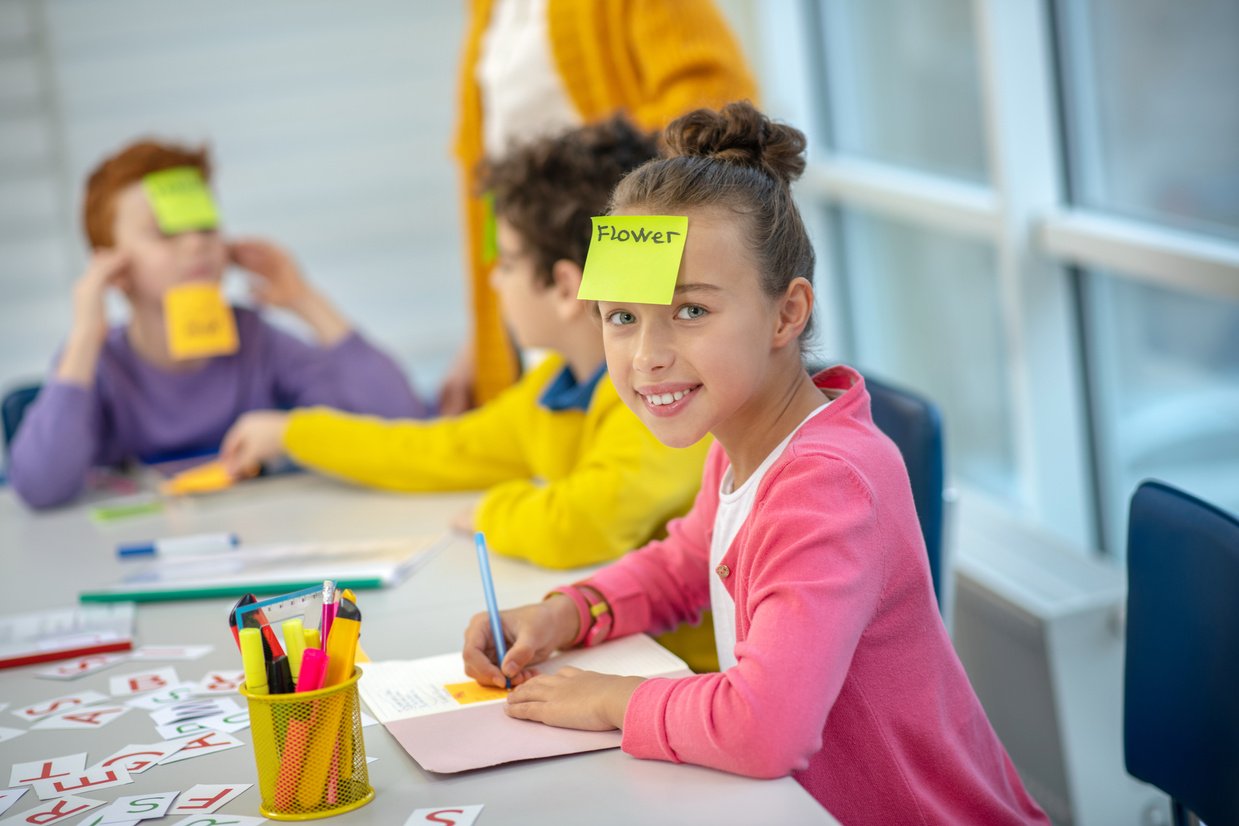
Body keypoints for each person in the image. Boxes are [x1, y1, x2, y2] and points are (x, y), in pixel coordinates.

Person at [461, 102, 1050, 824]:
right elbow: (687, 562)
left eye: (689, 311)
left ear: (785, 313)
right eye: (621, 316)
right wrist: (567, 613)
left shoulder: (826, 482)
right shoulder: (745, 438)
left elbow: (764, 727)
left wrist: (612, 701)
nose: (647, 355)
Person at [219, 117, 711, 570]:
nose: (494, 283)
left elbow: (579, 525)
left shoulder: (660, 392)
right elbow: (435, 450)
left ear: (565, 288)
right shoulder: (550, 390)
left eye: (509, 263)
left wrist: (493, 511)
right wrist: (293, 433)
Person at [7, 140, 427, 510]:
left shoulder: (258, 341)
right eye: (165, 233)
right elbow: (39, 486)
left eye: (206, 225)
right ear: (112, 266)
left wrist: (306, 301)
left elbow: (401, 423)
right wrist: (84, 338)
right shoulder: (97, 363)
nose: (196, 243)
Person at [444, 0, 759, 413]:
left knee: (639, 415)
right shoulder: (487, 8)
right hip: (539, 281)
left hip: (606, 260)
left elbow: (713, 96)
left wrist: (597, 200)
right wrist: (484, 337)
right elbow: (491, 168)